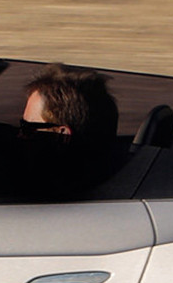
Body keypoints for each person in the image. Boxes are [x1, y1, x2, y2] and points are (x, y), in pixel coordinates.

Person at [17, 64, 119, 198]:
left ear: (62, 135)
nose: (20, 136)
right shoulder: (108, 179)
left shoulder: (50, 195)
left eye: (28, 129)